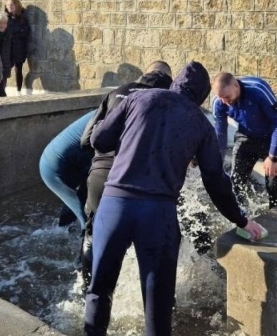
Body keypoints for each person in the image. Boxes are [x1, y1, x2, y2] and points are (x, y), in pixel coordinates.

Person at [85, 62, 265, 336]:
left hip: (114, 205)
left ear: (175, 82)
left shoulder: (137, 98)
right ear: (202, 95)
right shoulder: (201, 124)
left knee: (99, 289)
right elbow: (216, 181)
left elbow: (99, 140)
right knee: (158, 308)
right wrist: (241, 219)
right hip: (157, 216)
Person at [79, 61, 173, 287]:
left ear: (144, 74)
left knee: (92, 234)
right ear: (169, 80)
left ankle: (87, 289)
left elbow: (86, 141)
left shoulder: (117, 92)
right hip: (137, 181)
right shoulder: (167, 99)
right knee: (147, 242)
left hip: (100, 174)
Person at [212, 72, 277, 209]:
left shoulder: (257, 90)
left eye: (227, 97)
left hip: (272, 136)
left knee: (273, 186)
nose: (225, 102)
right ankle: (243, 219)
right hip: (246, 136)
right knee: (235, 183)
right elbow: (220, 134)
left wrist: (273, 156)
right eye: (221, 98)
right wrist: (217, 163)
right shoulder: (219, 102)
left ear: (236, 85)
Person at [40, 110, 96, 229]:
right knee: (89, 220)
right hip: (57, 166)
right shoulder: (128, 113)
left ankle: (63, 232)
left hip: (53, 160)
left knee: (79, 203)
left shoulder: (113, 103)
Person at [5, 0, 30, 95]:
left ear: (17, 6)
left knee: (18, 69)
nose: (9, 7)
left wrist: (14, 32)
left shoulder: (22, 18)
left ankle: (18, 90)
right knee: (5, 69)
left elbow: (26, 32)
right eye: (8, 5)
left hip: (19, 47)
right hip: (8, 47)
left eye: (12, 5)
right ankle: (2, 89)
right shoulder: (6, 17)